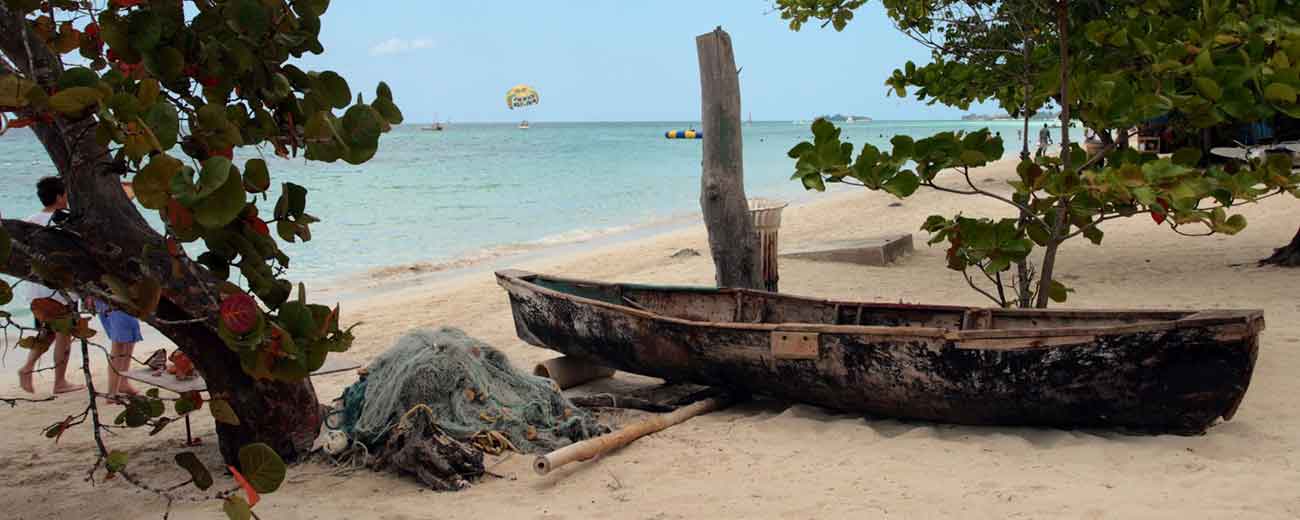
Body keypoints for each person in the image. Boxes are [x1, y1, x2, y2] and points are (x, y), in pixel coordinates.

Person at [17, 177, 83, 395]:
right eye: (65, 194)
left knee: (47, 333)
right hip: (59, 289)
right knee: (63, 335)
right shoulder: (63, 221)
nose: (67, 198)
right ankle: (59, 382)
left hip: (37, 289)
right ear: (59, 196)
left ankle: (27, 368)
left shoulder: (30, 220)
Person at [92, 298, 141, 398]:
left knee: (128, 339)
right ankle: (112, 392)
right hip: (115, 299)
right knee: (120, 343)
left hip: (104, 300)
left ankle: (123, 382)